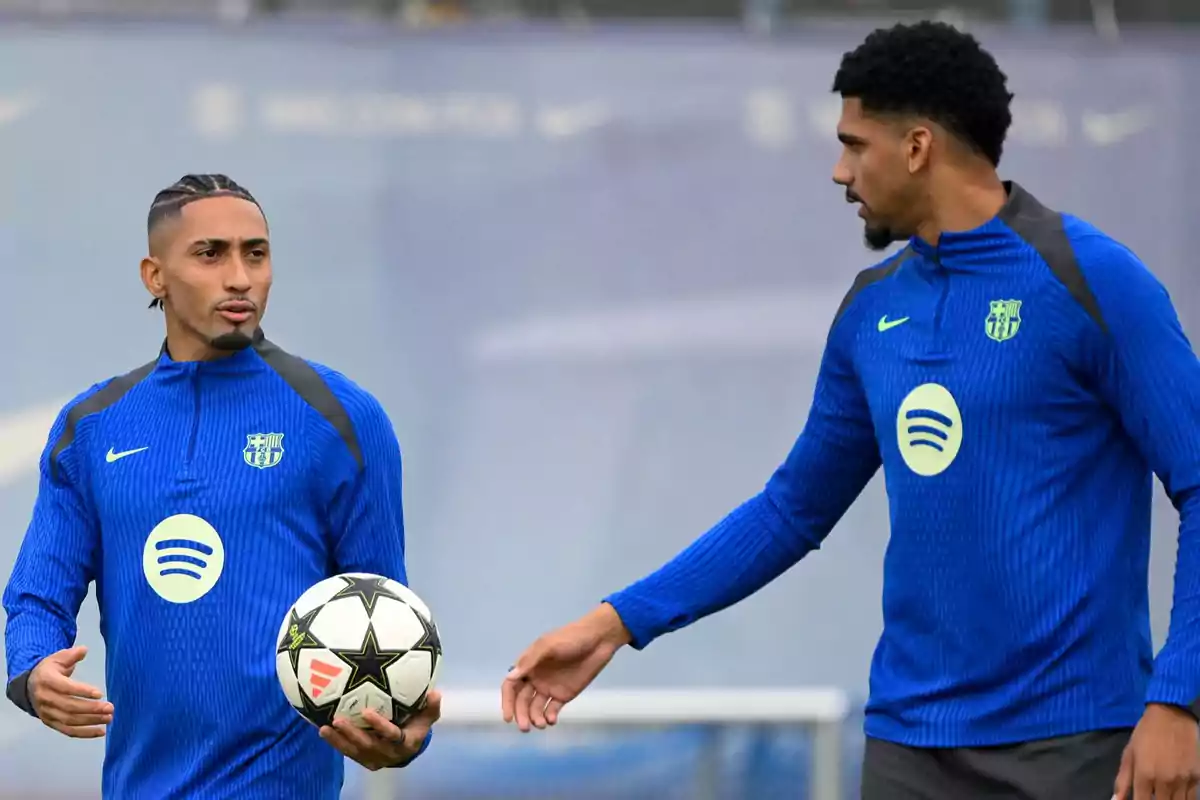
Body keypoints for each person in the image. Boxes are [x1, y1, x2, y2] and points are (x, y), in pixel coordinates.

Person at [500, 22, 1200, 800]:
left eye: (854, 143)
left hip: (1073, 746)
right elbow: (790, 512)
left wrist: (1182, 697)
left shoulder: (1092, 282)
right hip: (908, 748)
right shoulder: (873, 312)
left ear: (918, 147)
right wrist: (613, 624)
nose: (840, 171)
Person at [3, 174, 439, 799]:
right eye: (211, 254)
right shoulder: (92, 426)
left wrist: (405, 733)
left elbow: (385, 619)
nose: (239, 277)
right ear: (155, 276)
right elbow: (38, 595)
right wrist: (33, 671)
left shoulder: (342, 418)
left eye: (255, 254)